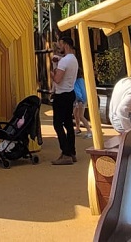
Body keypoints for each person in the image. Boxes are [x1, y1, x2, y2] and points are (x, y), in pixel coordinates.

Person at [49, 36, 79, 165]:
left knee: (57, 124)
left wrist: (52, 74)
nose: (59, 48)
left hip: (61, 95)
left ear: (65, 45)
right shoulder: (73, 59)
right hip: (70, 93)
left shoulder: (64, 61)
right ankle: (72, 152)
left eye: (60, 45)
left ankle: (65, 152)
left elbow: (57, 79)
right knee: (68, 124)